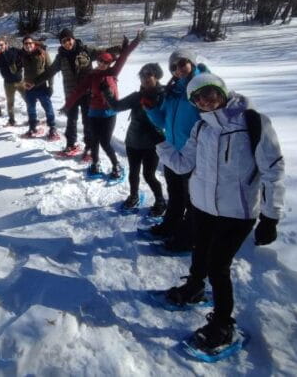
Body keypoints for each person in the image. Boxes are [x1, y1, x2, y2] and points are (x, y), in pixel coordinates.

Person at [158, 71, 285, 352]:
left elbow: (273, 170)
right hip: (202, 207)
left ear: (223, 91)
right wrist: (161, 142)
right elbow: (182, 164)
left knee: (218, 266)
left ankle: (224, 324)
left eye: (210, 93)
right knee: (200, 252)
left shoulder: (253, 122)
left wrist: (270, 216)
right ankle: (194, 288)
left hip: (236, 213)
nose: (205, 101)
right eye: (198, 98)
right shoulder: (201, 128)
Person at [144, 49, 206, 252]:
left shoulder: (203, 87)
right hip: (172, 152)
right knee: (176, 194)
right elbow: (162, 120)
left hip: (193, 154)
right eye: (173, 67)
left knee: (192, 200)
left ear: (192, 62)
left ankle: (188, 240)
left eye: (182, 64)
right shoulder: (174, 90)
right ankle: (170, 226)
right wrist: (151, 108)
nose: (178, 70)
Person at [61, 31, 143, 180]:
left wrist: (135, 42)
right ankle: (96, 163)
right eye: (99, 61)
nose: (101, 64)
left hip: (109, 113)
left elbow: (123, 57)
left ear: (109, 63)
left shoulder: (113, 72)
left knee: (105, 142)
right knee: (93, 140)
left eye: (105, 62)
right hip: (93, 112)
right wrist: (67, 105)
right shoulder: (92, 75)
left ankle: (116, 164)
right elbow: (78, 91)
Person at [39, 28, 123, 159]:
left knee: (87, 121)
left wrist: (119, 49)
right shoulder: (60, 57)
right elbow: (50, 72)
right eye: (64, 41)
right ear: (61, 43)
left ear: (73, 38)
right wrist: (35, 81)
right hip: (71, 94)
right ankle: (70, 145)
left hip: (88, 93)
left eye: (69, 39)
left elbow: (103, 52)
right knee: (71, 120)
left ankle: (89, 149)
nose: (67, 43)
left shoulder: (86, 51)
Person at [103, 63, 166, 216]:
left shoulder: (165, 95)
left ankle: (160, 200)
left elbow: (168, 118)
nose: (144, 79)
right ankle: (133, 196)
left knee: (149, 175)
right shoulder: (137, 96)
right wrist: (107, 91)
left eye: (148, 75)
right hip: (133, 141)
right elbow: (116, 106)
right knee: (133, 172)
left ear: (156, 76)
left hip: (153, 144)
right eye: (142, 76)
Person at [20, 36, 58, 139]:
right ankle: (32, 127)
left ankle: (52, 128)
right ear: (23, 46)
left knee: (48, 108)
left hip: (42, 87)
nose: (28, 45)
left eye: (30, 43)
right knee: (30, 108)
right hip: (28, 87)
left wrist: (50, 86)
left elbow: (50, 70)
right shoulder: (22, 55)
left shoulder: (42, 53)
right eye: (26, 44)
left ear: (34, 43)